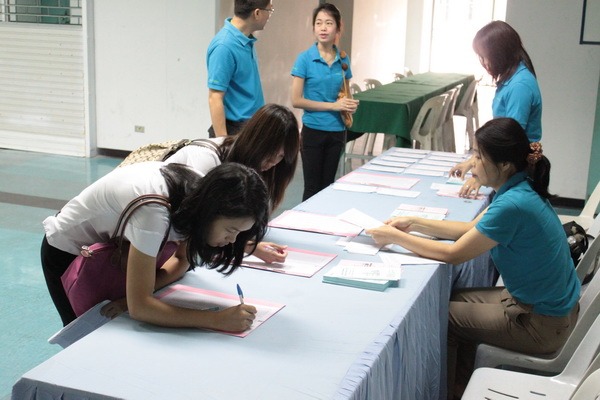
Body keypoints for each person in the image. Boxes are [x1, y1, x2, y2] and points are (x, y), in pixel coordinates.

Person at [366, 118, 580, 399]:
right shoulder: (519, 187)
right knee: (451, 299)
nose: (473, 163)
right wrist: (414, 222)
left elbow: (453, 254)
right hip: (547, 307)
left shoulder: (512, 204)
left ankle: (451, 392)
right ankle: (463, 380)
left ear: (504, 164)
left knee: (442, 317)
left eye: (479, 156)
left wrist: (394, 237)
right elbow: (470, 229)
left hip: (542, 323)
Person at [41, 162, 269, 331]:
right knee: (82, 335)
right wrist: (216, 319)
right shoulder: (153, 213)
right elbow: (141, 308)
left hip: (110, 252)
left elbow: (181, 260)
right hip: (68, 253)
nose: (232, 240)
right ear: (211, 213)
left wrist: (132, 298)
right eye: (230, 230)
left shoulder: (205, 192)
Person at [166, 103, 301, 263]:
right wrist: (248, 247)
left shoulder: (250, 170)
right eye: (271, 153)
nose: (273, 162)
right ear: (256, 140)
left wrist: (251, 247)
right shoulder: (206, 160)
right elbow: (194, 228)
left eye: (281, 156)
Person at [450, 20, 542, 198]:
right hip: (508, 165)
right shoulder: (511, 77)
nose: (484, 63)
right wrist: (472, 161)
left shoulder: (520, 85)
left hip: (515, 168)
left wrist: (480, 177)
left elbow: (510, 139)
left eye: (486, 57)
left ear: (500, 54)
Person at [291, 2, 359, 201]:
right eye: (319, 23)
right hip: (313, 130)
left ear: (338, 28)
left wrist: (349, 105)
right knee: (312, 187)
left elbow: (345, 94)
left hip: (337, 131)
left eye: (329, 23)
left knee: (328, 186)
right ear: (313, 27)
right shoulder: (304, 59)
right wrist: (333, 106)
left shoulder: (343, 60)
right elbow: (296, 100)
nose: (323, 28)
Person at [206, 0, 274, 137]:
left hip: (252, 126)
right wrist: (223, 142)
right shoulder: (224, 46)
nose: (269, 16)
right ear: (257, 13)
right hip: (234, 130)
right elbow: (215, 97)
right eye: (269, 11)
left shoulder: (246, 39)